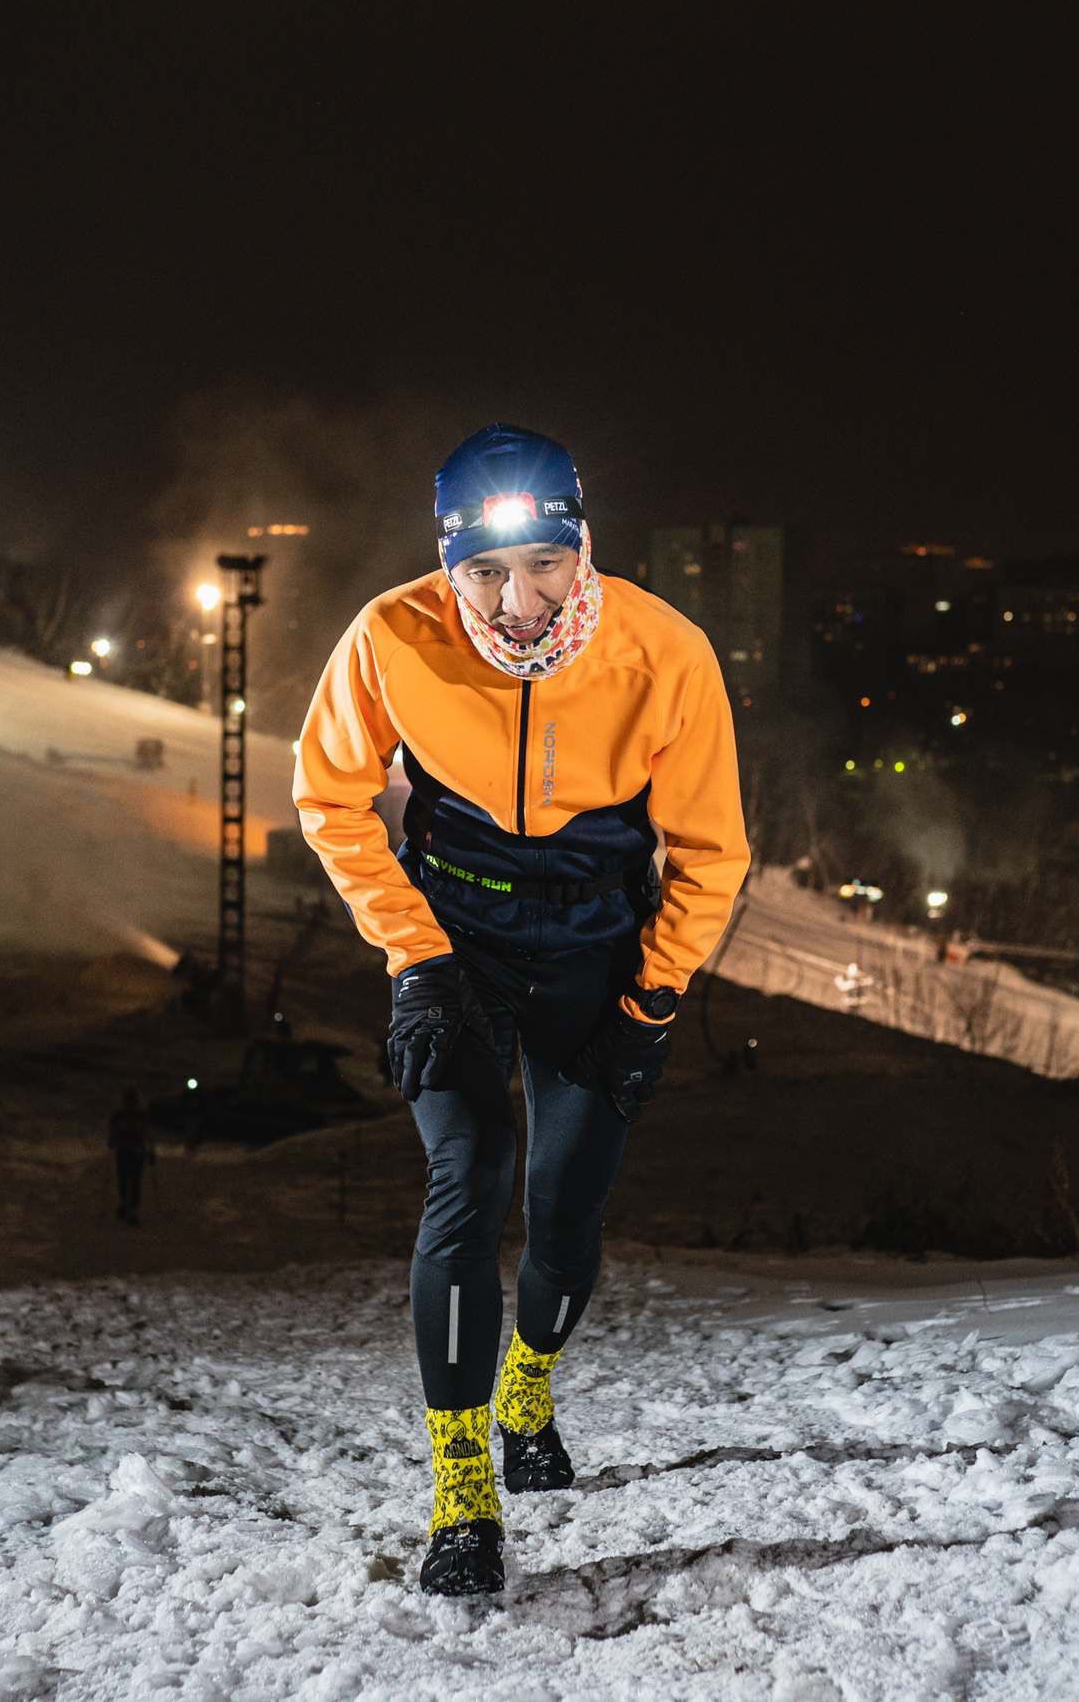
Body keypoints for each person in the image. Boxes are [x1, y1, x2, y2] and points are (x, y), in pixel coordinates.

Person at [294, 424, 749, 1595]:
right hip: (459, 944)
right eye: (485, 573)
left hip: (599, 945)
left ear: (581, 544)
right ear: (450, 565)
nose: (516, 599)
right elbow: (328, 799)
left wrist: (650, 1005)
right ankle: (461, 1496)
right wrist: (415, 957)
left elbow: (710, 852)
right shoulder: (392, 634)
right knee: (469, 1179)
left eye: (543, 563)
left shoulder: (665, 649)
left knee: (563, 1217)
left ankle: (527, 1387)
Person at [106, 1088, 152, 1224]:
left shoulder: (142, 1116)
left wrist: (151, 1150)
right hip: (123, 1150)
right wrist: (111, 1140)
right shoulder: (118, 1115)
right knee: (123, 1180)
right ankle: (125, 1203)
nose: (130, 1103)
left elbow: (148, 1134)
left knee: (135, 1181)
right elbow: (112, 1130)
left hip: (137, 1151)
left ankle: (131, 1210)